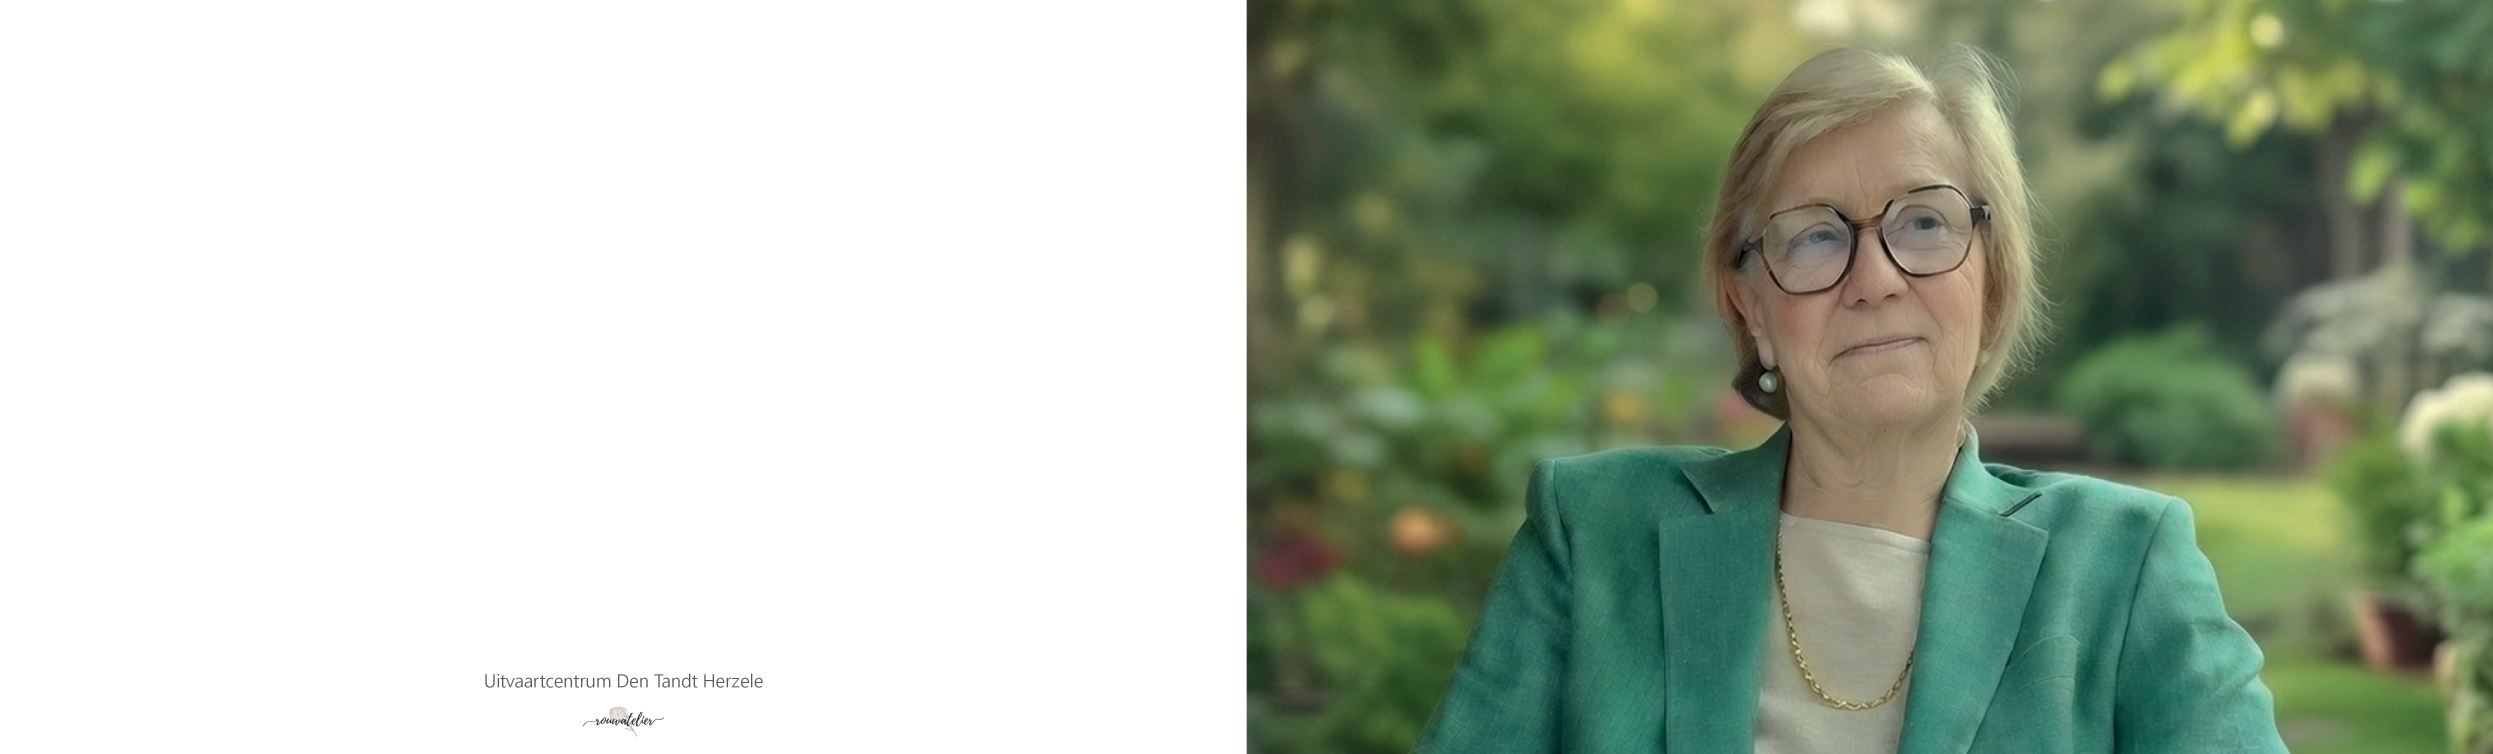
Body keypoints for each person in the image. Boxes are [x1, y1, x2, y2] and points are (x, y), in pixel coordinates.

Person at [1412, 46, 2288, 753]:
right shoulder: (1595, 533)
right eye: (1814, 237)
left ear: (1990, 279)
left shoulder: (2126, 564)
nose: (1874, 280)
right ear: (1750, 306)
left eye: (1923, 223)